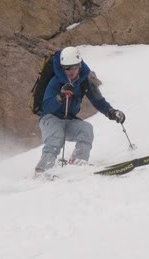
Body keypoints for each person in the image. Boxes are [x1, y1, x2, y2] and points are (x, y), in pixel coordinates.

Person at [35, 46, 125, 174]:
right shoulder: (55, 82)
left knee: (86, 129)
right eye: (66, 68)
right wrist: (60, 97)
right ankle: (42, 170)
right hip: (50, 119)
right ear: (62, 67)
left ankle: (77, 163)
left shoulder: (85, 82)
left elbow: (98, 101)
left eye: (74, 67)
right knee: (56, 136)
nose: (71, 71)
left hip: (68, 119)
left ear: (80, 65)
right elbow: (46, 107)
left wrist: (111, 112)